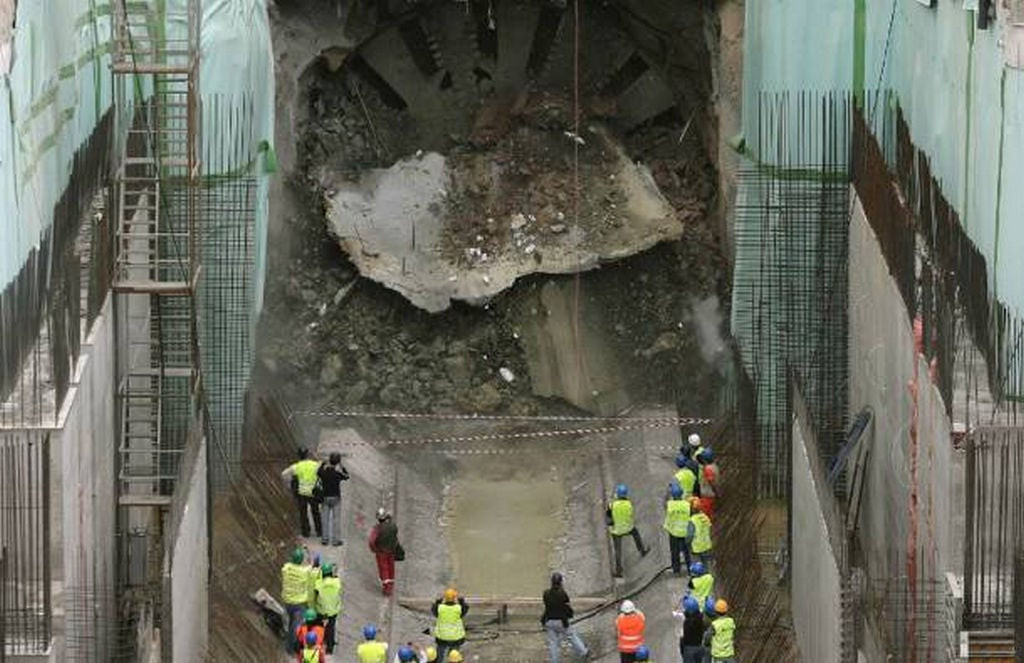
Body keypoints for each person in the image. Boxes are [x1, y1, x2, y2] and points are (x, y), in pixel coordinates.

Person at [541, 572, 590, 661]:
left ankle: (554, 661)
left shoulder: (546, 593)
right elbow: (567, 608)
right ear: (560, 582)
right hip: (561, 621)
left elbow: (547, 606)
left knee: (553, 644)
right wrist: (570, 615)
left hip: (549, 621)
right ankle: (583, 652)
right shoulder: (562, 594)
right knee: (572, 636)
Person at [606, 484, 650, 578]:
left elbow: (608, 520)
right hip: (628, 528)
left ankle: (618, 571)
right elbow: (630, 515)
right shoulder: (629, 504)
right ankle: (642, 551)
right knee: (636, 534)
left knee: (618, 550)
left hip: (616, 530)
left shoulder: (612, 505)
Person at [281, 447, 323, 539]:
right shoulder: (314, 465)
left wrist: (289, 484)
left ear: (299, 456)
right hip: (313, 492)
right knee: (315, 511)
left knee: (303, 513)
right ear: (308, 455)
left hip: (302, 492)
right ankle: (319, 531)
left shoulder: (296, 466)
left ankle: (306, 532)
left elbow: (284, 474)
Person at [281, 548, 313, 651]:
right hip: (299, 604)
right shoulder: (304, 572)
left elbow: (287, 565)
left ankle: (288, 638)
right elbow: (311, 566)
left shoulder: (286, 569)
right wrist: (309, 556)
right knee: (296, 627)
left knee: (291, 622)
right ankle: (290, 647)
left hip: (287, 602)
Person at [318, 452, 349, 546]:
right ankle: (335, 541)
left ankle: (325, 539)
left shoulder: (324, 473)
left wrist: (323, 463)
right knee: (336, 520)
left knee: (325, 519)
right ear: (337, 462)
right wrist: (342, 466)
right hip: (336, 498)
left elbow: (318, 472)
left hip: (325, 497)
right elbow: (347, 476)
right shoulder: (337, 474)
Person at [370, 507, 402, 595]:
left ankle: (386, 588)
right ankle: (390, 586)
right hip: (391, 551)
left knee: (384, 569)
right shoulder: (392, 526)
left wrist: (374, 549)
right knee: (391, 568)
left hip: (381, 552)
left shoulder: (377, 528)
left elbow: (372, 541)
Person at [432, 587, 469, 662]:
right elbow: (466, 608)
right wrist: (461, 601)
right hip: (456, 637)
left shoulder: (440, 608)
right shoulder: (458, 608)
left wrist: (438, 601)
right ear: (454, 598)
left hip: (442, 637)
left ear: (445, 598)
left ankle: (439, 660)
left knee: (440, 652)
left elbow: (434, 609)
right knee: (454, 654)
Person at [663, 482, 692, 575]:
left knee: (674, 551)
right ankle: (690, 569)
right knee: (687, 552)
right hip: (684, 531)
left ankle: (676, 570)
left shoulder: (670, 505)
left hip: (674, 532)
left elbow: (664, 503)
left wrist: (668, 491)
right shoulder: (687, 504)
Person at [314, 562, 342, 654]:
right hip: (333, 610)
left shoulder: (318, 583)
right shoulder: (337, 582)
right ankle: (330, 648)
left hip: (321, 610)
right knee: (331, 627)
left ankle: (318, 643)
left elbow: (316, 593)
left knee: (319, 626)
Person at [673, 595, 707, 663]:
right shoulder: (701, 619)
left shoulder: (687, 623)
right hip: (699, 646)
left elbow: (683, 639)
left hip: (689, 649)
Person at [688, 498, 713, 565]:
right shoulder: (706, 517)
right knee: (706, 566)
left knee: (697, 567)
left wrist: (687, 544)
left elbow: (690, 535)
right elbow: (711, 531)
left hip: (696, 548)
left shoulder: (692, 520)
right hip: (707, 546)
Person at [697, 448, 719, 519]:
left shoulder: (708, 469)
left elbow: (711, 482)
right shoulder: (714, 466)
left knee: (705, 515)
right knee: (710, 513)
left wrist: (716, 492)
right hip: (710, 494)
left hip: (707, 495)